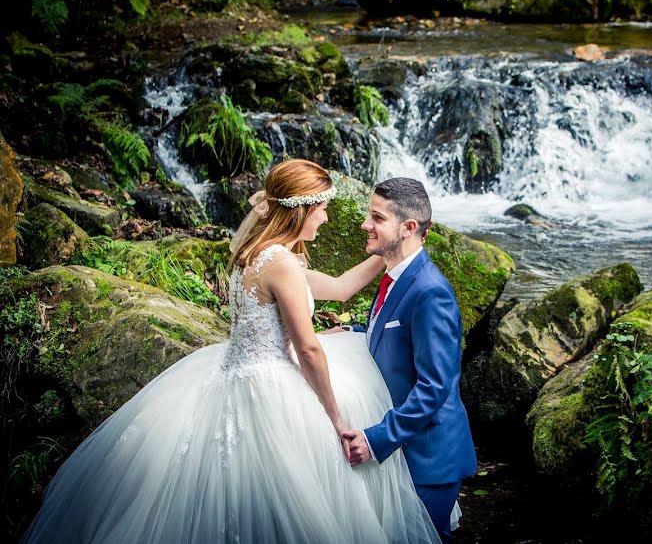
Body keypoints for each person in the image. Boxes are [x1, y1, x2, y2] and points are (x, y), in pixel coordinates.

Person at [22, 160, 441, 543]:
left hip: (228, 372)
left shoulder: (256, 255)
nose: (326, 217)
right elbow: (309, 348)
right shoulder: (282, 264)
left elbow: (340, 287)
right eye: (322, 209)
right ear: (301, 210)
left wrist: (392, 254)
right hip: (268, 384)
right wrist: (336, 418)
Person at [336, 178, 478, 543]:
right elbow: (397, 334)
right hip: (409, 449)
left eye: (376, 218)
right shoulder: (398, 276)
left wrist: (375, 439)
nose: (365, 224)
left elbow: (433, 389)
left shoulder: (431, 292)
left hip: (430, 457)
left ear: (408, 228)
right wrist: (353, 332)